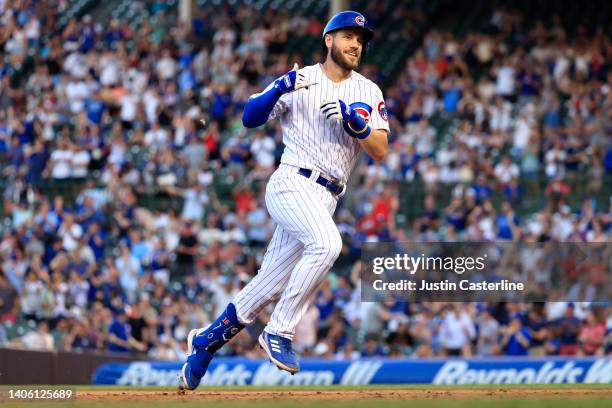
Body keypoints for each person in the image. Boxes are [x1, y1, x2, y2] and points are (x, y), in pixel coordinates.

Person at [179, 10, 389, 390]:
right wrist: (280, 87)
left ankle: (206, 343)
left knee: (268, 285)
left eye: (361, 39)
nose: (356, 44)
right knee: (327, 244)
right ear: (329, 40)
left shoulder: (368, 91)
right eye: (348, 36)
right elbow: (249, 117)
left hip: (327, 196)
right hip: (292, 181)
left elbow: (380, 149)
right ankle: (279, 331)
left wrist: (356, 124)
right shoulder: (303, 79)